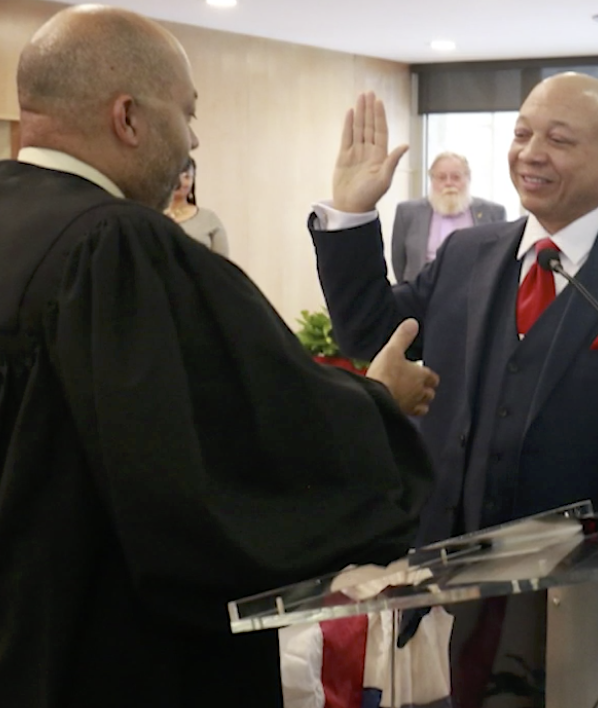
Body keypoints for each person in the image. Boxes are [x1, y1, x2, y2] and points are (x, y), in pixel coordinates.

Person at [0, 6, 440, 708]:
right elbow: (218, 454)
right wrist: (377, 404)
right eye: (186, 112)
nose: (193, 139)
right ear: (129, 118)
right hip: (106, 658)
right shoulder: (117, 249)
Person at [310, 74, 598, 544]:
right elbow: (369, 333)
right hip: (445, 565)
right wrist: (351, 214)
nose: (530, 153)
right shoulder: (466, 253)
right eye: (522, 134)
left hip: (586, 586)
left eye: (558, 139)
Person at [390, 151, 506, 283]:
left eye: (456, 177)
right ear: (432, 180)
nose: (449, 183)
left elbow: (499, 259)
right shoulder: (408, 212)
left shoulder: (493, 213)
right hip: (422, 295)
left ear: (468, 178)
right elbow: (399, 262)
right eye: (441, 177)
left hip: (474, 293)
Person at [165, 156, 229, 256]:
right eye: (175, 175)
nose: (180, 182)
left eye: (186, 177)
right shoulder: (151, 215)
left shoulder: (209, 219)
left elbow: (223, 266)